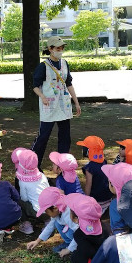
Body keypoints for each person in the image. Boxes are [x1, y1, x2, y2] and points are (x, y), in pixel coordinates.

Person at [31, 36, 81, 169]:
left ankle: (62, 166)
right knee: (43, 137)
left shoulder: (64, 63)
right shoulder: (43, 66)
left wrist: (76, 102)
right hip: (49, 105)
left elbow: (69, 83)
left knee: (65, 137)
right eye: (58, 48)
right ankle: (33, 166)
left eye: (62, 48)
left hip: (64, 105)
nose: (60, 50)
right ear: (50, 49)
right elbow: (35, 85)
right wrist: (42, 96)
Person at [65, 193, 109, 263]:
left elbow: (88, 253)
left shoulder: (79, 234)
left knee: (75, 257)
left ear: (76, 218)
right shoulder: (105, 226)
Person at [26, 187, 79, 255]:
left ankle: (75, 246)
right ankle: (68, 242)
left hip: (83, 233)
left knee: (70, 233)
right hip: (73, 228)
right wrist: (37, 241)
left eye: (47, 212)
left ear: (55, 208)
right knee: (57, 223)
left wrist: (68, 250)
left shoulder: (69, 213)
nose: (47, 214)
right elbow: (50, 226)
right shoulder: (58, 210)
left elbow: (79, 233)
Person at [15, 149, 49, 234]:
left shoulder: (23, 181)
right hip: (50, 210)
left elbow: (24, 198)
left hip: (37, 212)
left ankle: (26, 224)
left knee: (18, 201)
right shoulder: (42, 175)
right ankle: (48, 222)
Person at [77, 136, 114, 211]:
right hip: (108, 198)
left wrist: (86, 201)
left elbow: (88, 185)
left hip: (97, 201)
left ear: (87, 151)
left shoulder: (89, 168)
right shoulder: (104, 162)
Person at [102, 162, 132, 235]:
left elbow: (116, 228)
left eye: (109, 182)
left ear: (114, 185)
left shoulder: (115, 204)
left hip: (122, 240)